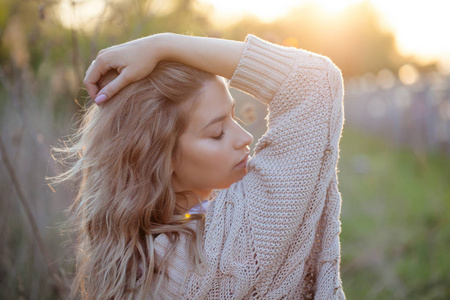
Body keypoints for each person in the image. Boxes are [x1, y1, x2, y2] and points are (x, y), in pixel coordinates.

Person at [59, 32, 345, 299]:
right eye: (217, 132)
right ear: (159, 157)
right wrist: (163, 45)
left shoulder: (134, 260)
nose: (245, 138)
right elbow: (316, 81)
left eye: (234, 118)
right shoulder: (235, 246)